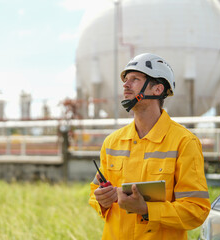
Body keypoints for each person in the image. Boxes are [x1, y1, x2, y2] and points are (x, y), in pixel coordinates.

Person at [89, 53, 211, 240]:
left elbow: (196, 210)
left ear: (157, 89)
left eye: (135, 79)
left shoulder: (184, 142)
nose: (126, 85)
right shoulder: (112, 142)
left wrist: (146, 209)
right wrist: (101, 200)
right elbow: (95, 193)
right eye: (126, 79)